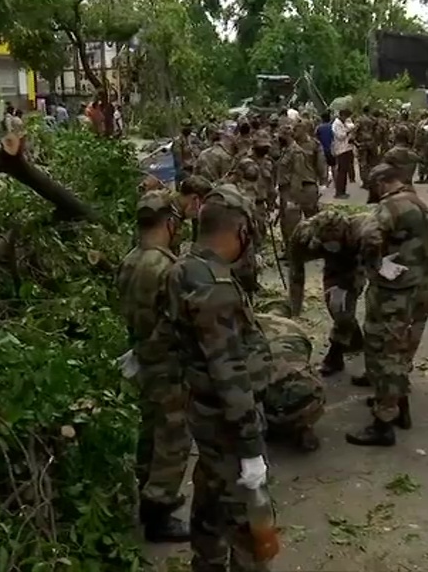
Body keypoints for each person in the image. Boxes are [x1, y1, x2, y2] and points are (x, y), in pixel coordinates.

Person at [161, 185, 275, 571]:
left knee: (210, 495)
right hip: (227, 422)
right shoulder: (215, 288)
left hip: (203, 411)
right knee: (249, 524)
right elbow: (230, 374)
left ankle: (206, 563)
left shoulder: (184, 268)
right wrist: (250, 446)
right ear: (240, 230)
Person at [346, 163, 428, 447]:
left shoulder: (391, 206)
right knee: (397, 346)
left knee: (383, 349)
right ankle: (400, 407)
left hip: (390, 289)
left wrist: (374, 264)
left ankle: (383, 422)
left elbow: (370, 237)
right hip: (413, 283)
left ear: (383, 182)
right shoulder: (419, 204)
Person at [116, 190, 190, 542]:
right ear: (171, 223)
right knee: (172, 438)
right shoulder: (169, 269)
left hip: (141, 359)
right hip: (167, 364)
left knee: (148, 431)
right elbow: (179, 322)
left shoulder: (129, 260)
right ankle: (160, 510)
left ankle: (146, 494)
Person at [287, 208, 370, 375]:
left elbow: (367, 267)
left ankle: (335, 356)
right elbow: (296, 274)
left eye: (336, 236)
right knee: (333, 305)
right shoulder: (302, 235)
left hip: (354, 266)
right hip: (333, 266)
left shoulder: (360, 232)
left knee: (342, 308)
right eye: (326, 238)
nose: (332, 242)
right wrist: (294, 313)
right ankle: (355, 340)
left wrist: (347, 288)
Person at [255, 305, 327, 452]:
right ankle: (304, 423)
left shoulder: (240, 327)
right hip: (308, 387)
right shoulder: (290, 325)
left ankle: (270, 424)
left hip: (268, 382)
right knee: (304, 382)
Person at [278, 122, 327, 244]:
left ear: (304, 130)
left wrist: (323, 182)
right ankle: (294, 247)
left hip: (306, 185)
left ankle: (314, 245)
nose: (294, 132)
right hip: (292, 188)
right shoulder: (287, 147)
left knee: (312, 219)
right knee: (289, 221)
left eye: (296, 129)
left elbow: (320, 164)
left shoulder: (313, 144)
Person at [331, 109, 355, 199]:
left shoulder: (343, 123)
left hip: (346, 148)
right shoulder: (336, 124)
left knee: (344, 171)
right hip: (341, 150)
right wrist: (348, 131)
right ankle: (339, 192)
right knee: (341, 172)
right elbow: (340, 136)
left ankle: (342, 191)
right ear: (342, 115)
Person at [355, 107, 378, 184]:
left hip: (362, 143)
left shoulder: (359, 119)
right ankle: (373, 178)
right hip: (371, 142)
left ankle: (365, 181)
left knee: (363, 162)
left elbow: (355, 130)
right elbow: (376, 130)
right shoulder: (373, 120)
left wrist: (354, 140)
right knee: (372, 162)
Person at [315, 111, 335, 183]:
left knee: (325, 167)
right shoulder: (332, 126)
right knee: (334, 166)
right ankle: (336, 182)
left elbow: (316, 138)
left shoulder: (319, 128)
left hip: (323, 150)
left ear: (322, 119)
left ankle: (325, 182)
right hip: (332, 149)